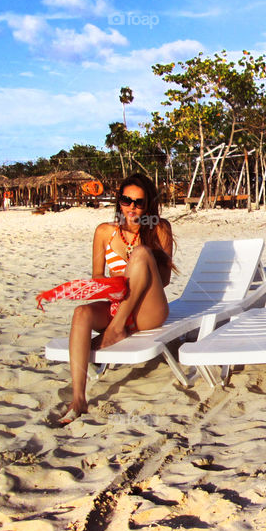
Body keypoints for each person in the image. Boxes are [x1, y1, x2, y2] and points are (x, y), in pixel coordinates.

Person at [60, 173, 174, 423]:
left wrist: (136, 271)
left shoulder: (159, 228)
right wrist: (114, 284)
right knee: (81, 313)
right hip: (118, 302)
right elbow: (97, 278)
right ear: (118, 200)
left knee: (142, 253)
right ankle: (79, 398)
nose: (131, 207)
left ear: (148, 205)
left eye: (139, 202)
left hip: (148, 310)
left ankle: (116, 328)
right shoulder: (104, 232)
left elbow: (164, 281)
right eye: (126, 200)